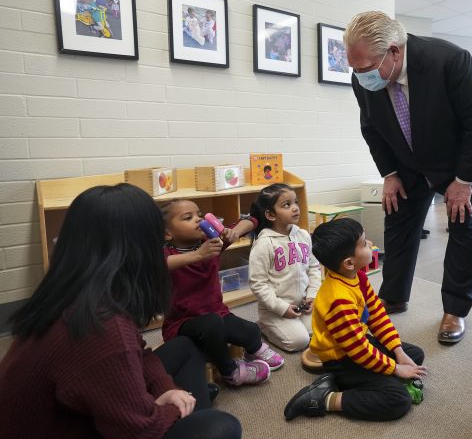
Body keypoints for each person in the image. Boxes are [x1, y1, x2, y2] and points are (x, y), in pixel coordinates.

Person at [0, 184, 241, 439]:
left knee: (185, 347)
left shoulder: (78, 290)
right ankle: (193, 410)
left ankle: (192, 408)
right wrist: (168, 409)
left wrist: (166, 389)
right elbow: (140, 430)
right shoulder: (102, 325)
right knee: (222, 426)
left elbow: (139, 353)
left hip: (87, 408)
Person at [344, 10, 472, 344]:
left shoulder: (449, 60)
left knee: (461, 222)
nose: (359, 76)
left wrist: (464, 181)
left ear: (394, 51)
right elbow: (371, 128)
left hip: (462, 156)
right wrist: (390, 174)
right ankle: (393, 296)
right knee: (398, 214)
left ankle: (455, 309)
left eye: (365, 68)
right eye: (353, 68)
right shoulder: (364, 77)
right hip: (409, 156)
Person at [284, 218, 427, 422]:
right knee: (398, 400)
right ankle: (325, 398)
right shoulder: (338, 300)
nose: (370, 243)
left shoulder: (358, 277)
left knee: (415, 355)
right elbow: (358, 350)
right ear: (349, 263)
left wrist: (398, 352)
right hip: (342, 359)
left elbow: (377, 315)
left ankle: (369, 380)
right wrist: (395, 368)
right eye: (364, 243)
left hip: (358, 343)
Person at [161, 199, 285, 388]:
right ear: (167, 233)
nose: (198, 219)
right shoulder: (166, 254)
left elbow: (252, 220)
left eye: (199, 215)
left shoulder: (212, 242)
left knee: (252, 330)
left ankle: (252, 352)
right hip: (182, 323)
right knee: (212, 324)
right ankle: (230, 371)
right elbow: (155, 266)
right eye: (188, 217)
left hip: (218, 314)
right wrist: (198, 255)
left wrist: (233, 232)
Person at [248, 183, 322, 352]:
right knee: (299, 342)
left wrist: (312, 295)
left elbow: (314, 268)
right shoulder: (264, 244)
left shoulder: (303, 235)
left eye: (296, 202)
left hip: (302, 305)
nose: (295, 208)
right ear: (270, 214)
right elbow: (258, 284)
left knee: (318, 331)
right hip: (274, 309)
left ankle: (295, 324)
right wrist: (281, 308)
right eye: (287, 205)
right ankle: (264, 325)